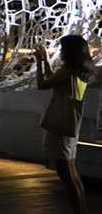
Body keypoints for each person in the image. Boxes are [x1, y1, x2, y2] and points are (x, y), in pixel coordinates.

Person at [35, 35, 102, 214]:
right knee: (73, 173)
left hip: (59, 127)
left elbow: (42, 84)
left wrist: (39, 63)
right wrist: (47, 61)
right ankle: (82, 210)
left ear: (69, 52)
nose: (61, 52)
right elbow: (56, 82)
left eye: (63, 49)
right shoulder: (81, 71)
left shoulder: (67, 72)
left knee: (66, 177)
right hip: (71, 126)